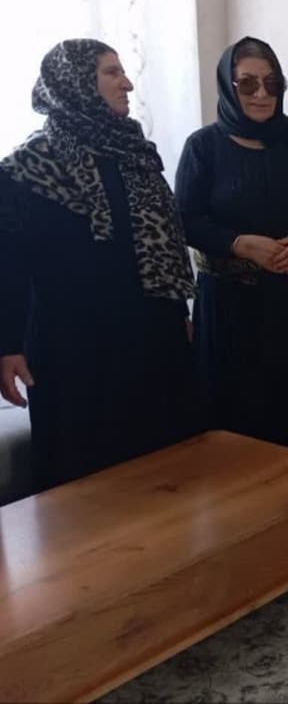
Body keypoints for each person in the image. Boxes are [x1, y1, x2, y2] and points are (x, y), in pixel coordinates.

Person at [0, 39, 200, 490]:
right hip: (74, 353)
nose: (127, 83)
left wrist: (179, 312)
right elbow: (8, 265)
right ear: (75, 84)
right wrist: (7, 345)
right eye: (112, 72)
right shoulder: (27, 168)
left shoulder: (135, 155)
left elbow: (164, 243)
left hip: (152, 339)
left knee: (166, 473)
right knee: (86, 484)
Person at [176, 37, 288, 459]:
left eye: (272, 83)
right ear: (228, 87)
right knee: (237, 410)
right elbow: (186, 219)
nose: (262, 94)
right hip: (231, 303)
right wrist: (240, 244)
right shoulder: (203, 147)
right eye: (248, 84)